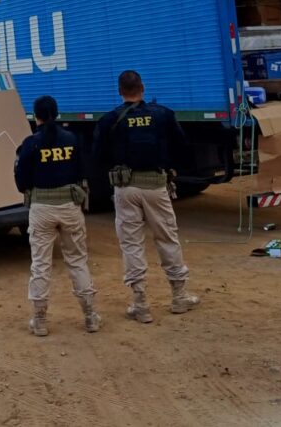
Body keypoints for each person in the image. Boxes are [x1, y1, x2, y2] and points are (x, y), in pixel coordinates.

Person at [93, 70, 200, 324]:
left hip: (125, 188)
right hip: (156, 185)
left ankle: (140, 303)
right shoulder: (163, 115)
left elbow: (98, 156)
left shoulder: (110, 120)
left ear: (120, 91)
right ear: (142, 87)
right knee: (167, 238)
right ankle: (179, 296)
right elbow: (182, 147)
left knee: (131, 244)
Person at [14, 95, 100, 337]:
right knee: (77, 261)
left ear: (36, 116)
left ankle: (40, 320)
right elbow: (83, 171)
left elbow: (21, 181)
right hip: (70, 207)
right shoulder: (72, 139)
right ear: (57, 113)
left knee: (41, 264)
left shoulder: (30, 144)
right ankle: (90, 316)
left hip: (41, 209)